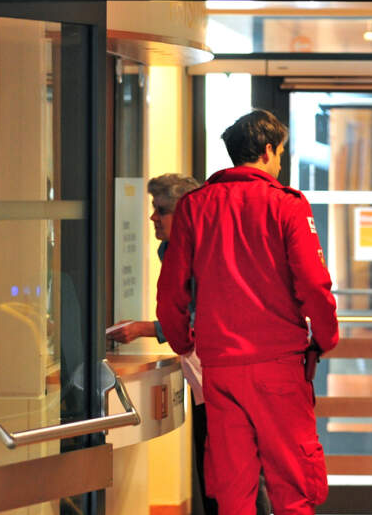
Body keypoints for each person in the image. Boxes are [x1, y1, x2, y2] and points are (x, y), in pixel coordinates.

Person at [156, 109, 339, 515]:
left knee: (232, 488)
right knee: (293, 485)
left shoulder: (194, 207)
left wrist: (184, 342)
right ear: (269, 150)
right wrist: (325, 337)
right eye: (280, 154)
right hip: (278, 365)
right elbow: (313, 283)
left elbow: (171, 289)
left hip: (220, 367)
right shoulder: (287, 204)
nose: (280, 163)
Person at [108, 173, 273, 515]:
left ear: (187, 213)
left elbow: (203, 316)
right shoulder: (170, 249)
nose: (153, 217)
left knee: (236, 475)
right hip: (202, 377)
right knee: (212, 471)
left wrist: (145, 329)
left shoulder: (213, 250)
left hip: (229, 375)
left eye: (161, 210)